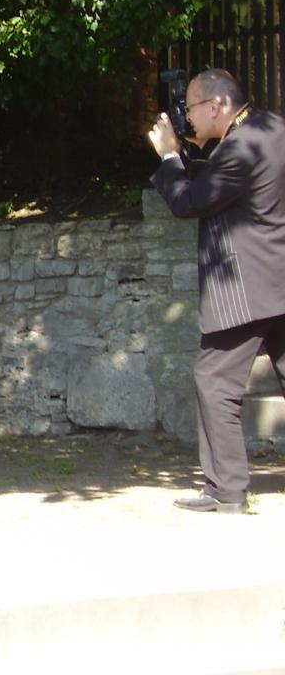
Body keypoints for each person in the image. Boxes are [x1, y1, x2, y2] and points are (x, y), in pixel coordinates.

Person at [147, 68, 285, 514]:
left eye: (189, 107)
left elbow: (191, 201)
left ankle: (226, 490)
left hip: (248, 289)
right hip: (277, 283)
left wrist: (170, 157)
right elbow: (228, 186)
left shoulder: (239, 147)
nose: (186, 116)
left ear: (216, 105)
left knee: (214, 380)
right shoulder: (272, 128)